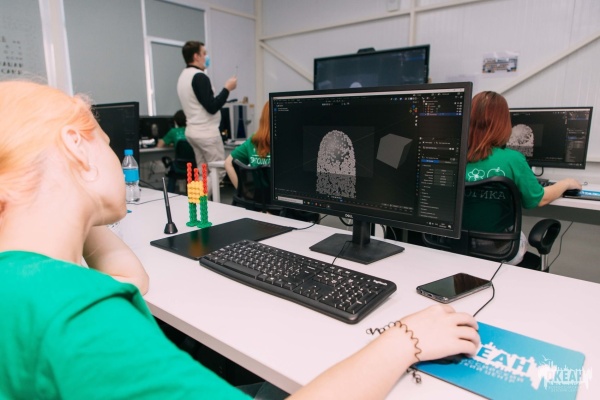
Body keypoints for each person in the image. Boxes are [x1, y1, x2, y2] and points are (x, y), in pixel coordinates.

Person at [0, 81, 480, 398]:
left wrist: (81, 209)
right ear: (76, 147)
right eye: (106, 143)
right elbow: (96, 310)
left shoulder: (28, 288)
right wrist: (406, 339)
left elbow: (128, 281)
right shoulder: (79, 320)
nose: (115, 157)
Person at [465, 91, 582, 264]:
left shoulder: (453, 157)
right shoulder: (513, 159)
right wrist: (566, 183)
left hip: (453, 246)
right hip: (498, 250)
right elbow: (537, 199)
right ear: (503, 124)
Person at [177, 40, 237, 196]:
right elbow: (212, 106)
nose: (206, 57)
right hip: (207, 133)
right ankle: (197, 199)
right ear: (196, 56)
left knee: (203, 172)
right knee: (219, 171)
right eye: (204, 53)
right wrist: (227, 89)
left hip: (193, 131)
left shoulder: (183, 76)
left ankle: (198, 203)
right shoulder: (199, 77)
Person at [225, 101, 270, 189]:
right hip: (280, 196)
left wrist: (243, 191)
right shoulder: (254, 141)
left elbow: (228, 163)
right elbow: (228, 163)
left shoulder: (253, 140)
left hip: (258, 196)